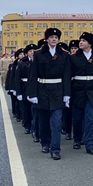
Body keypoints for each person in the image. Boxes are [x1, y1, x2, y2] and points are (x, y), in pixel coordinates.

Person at [27, 28, 71, 160]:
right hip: (42, 90)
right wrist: (32, 94)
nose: (54, 39)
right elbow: (33, 75)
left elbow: (67, 75)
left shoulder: (64, 55)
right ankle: (45, 142)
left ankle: (55, 148)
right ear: (46, 39)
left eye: (56, 37)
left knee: (57, 122)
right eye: (51, 37)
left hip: (58, 90)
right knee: (44, 121)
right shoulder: (39, 54)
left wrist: (67, 94)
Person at [70, 32, 93, 155]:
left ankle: (90, 144)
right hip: (78, 91)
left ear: (90, 44)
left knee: (91, 118)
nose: (80, 42)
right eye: (80, 40)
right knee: (77, 118)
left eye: (83, 40)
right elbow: (69, 76)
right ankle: (77, 139)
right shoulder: (73, 58)